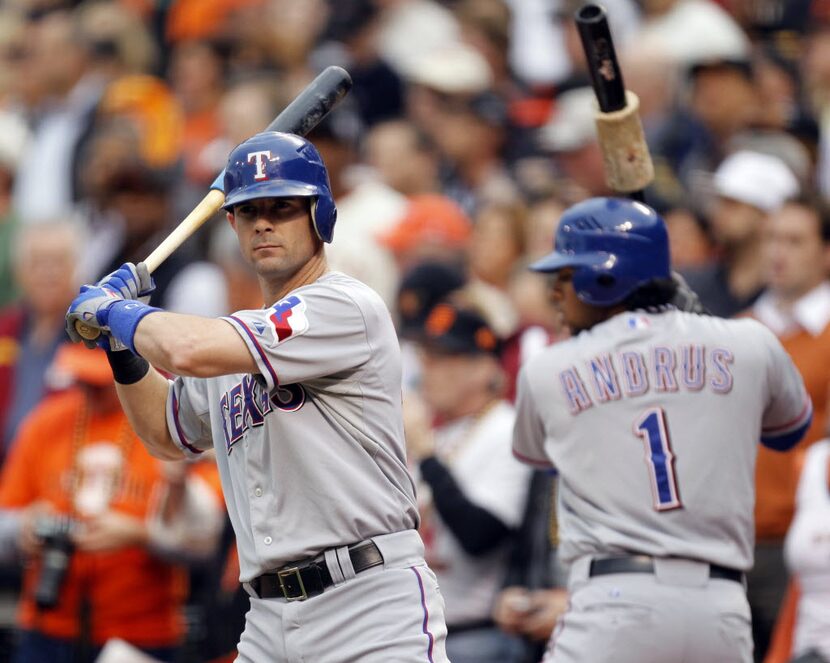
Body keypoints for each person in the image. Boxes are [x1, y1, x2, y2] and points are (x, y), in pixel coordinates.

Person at [64, 130, 450, 663]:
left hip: (366, 602)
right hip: (268, 617)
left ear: (321, 217)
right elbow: (165, 432)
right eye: (250, 211)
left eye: (283, 207)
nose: (264, 222)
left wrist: (119, 313)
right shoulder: (236, 343)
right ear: (233, 225)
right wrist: (120, 350)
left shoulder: (344, 305)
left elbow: (187, 349)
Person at [511, 197, 813, 663]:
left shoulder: (546, 370)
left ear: (603, 278)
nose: (555, 293)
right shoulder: (750, 341)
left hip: (612, 604)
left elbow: (539, 458)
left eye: (565, 277)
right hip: (721, 610)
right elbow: (788, 430)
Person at [0, 343, 224, 663]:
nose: (89, 391)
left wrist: (140, 535)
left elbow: (203, 545)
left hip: (142, 634)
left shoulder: (170, 425)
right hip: (46, 625)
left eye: (101, 383)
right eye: (82, 380)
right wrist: (23, 528)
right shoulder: (45, 423)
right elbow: (4, 523)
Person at [403, 302, 532, 663]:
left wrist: (427, 456)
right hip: (419, 635)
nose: (427, 370)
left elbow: (480, 536)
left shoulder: (506, 430)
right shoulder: (439, 432)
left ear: (484, 368)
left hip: (477, 634)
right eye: (426, 357)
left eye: (443, 358)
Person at [746, 196, 830, 661]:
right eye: (771, 238)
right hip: (733, 542)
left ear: (826, 252)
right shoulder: (736, 331)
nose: (778, 252)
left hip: (805, 549)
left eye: (794, 240)